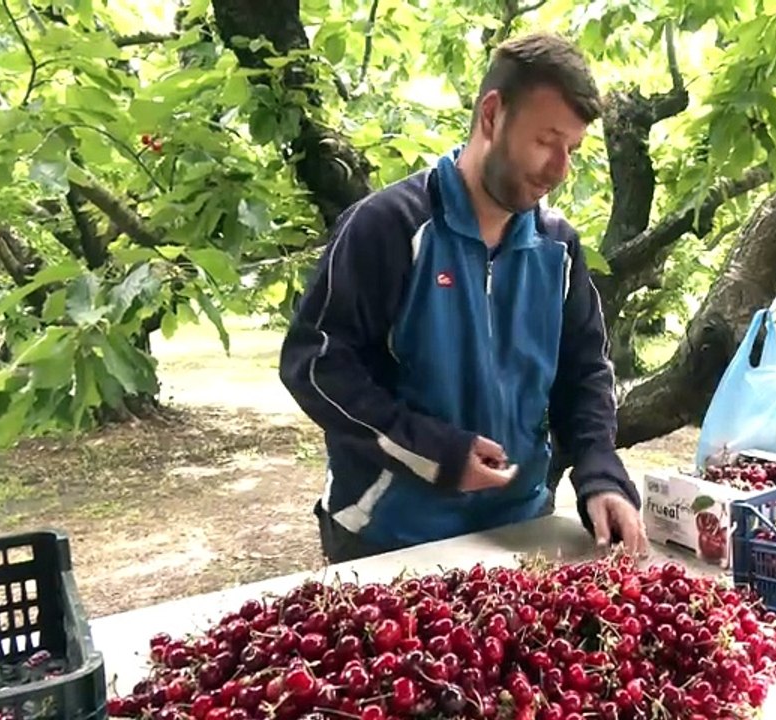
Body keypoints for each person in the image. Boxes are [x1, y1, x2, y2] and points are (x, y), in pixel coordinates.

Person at [278, 32, 648, 562]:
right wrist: (435, 452)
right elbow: (315, 365)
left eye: (572, 149)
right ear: (492, 115)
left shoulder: (558, 247)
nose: (559, 169)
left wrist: (600, 472)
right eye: (546, 141)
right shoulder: (388, 227)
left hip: (523, 529)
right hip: (389, 534)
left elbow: (584, 372)